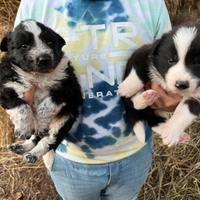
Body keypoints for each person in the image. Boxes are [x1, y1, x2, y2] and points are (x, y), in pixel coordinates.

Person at [14, 0, 186, 199]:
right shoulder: (34, 5)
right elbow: (19, 78)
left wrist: (173, 103)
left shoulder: (151, 4)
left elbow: (172, 76)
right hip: (68, 159)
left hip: (135, 154)